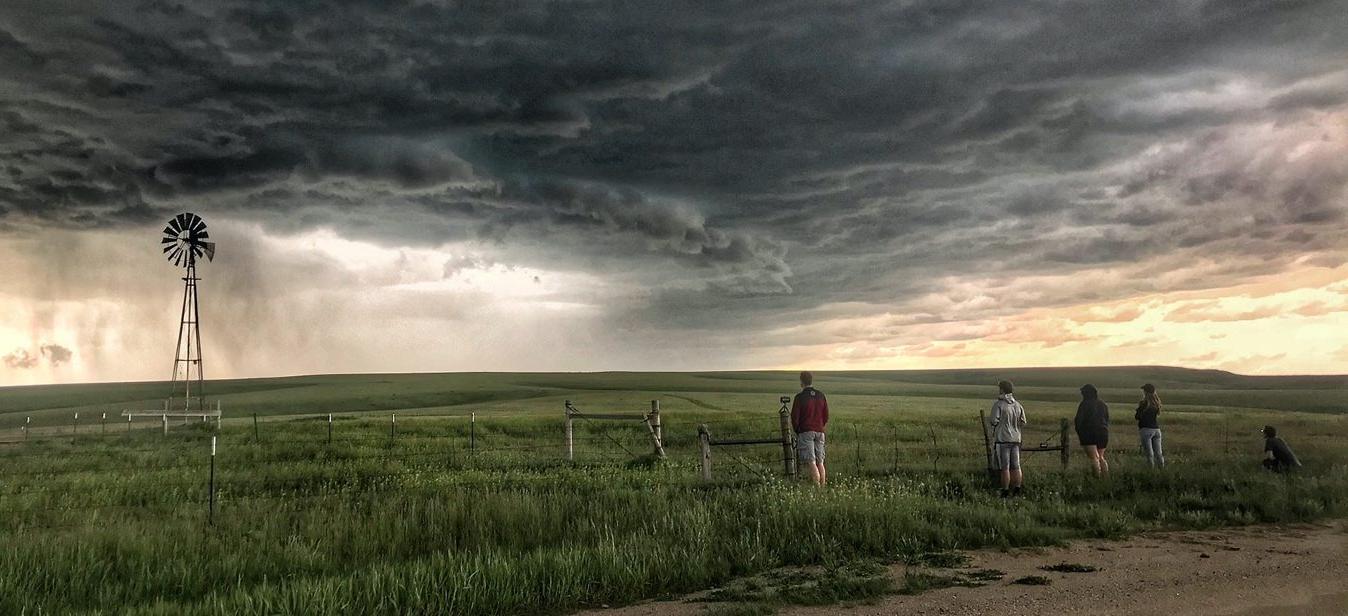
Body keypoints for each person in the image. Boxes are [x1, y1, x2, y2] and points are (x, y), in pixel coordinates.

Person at [989, 380, 1027, 498]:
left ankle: (1005, 490)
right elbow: (1023, 421)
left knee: (1004, 467)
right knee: (1016, 466)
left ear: (1002, 390)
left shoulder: (998, 404)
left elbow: (994, 421)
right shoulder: (1018, 405)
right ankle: (1017, 489)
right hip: (1016, 439)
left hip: (1003, 439)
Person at [790, 371, 829, 486]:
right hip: (820, 431)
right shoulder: (821, 395)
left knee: (811, 462)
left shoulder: (800, 397)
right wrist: (820, 425)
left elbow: (794, 417)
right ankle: (822, 488)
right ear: (811, 381)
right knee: (820, 462)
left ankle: (817, 489)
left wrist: (798, 430)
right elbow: (826, 415)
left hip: (806, 431)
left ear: (801, 381)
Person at [1075, 384, 1110, 476]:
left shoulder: (1084, 404)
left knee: (1093, 458)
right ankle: (1105, 478)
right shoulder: (1102, 404)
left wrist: (1080, 433)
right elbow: (1106, 419)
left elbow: (1079, 421)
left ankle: (1096, 477)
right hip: (1103, 432)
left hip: (1089, 433)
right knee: (1101, 457)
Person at [1135, 383, 1164, 468]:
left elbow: (1137, 417)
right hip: (1156, 429)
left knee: (1149, 454)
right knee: (1159, 453)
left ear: (1146, 392)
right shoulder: (1156, 403)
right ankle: (1162, 469)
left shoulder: (1144, 403)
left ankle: (1151, 472)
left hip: (1146, 429)